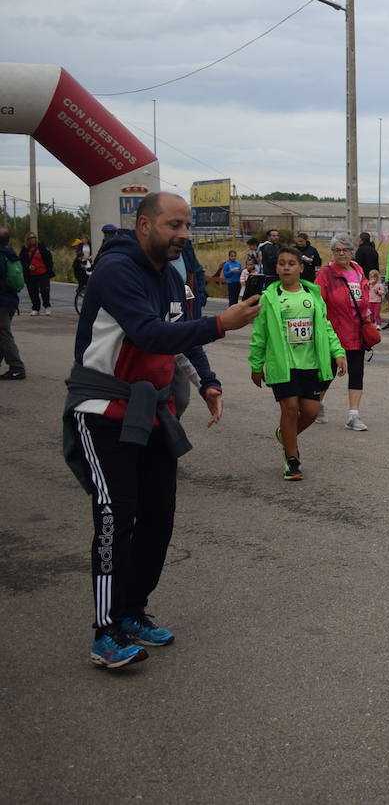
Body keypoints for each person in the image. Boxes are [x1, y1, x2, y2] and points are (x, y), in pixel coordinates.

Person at [61, 192, 261, 668]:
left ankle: (133, 612)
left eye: (187, 226)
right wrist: (222, 323)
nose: (184, 235)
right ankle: (104, 632)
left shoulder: (170, 276)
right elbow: (149, 333)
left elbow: (180, 331)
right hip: (101, 408)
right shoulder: (116, 271)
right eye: (174, 225)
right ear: (145, 225)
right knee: (115, 515)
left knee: (159, 516)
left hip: (152, 412)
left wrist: (208, 381)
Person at [248, 246, 347, 480]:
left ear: (301, 268)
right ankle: (292, 459)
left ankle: (285, 435)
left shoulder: (312, 296)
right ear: (276, 268)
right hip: (282, 364)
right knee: (290, 409)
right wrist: (255, 365)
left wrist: (338, 352)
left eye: (291, 263)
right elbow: (259, 334)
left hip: (311, 363)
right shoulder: (269, 298)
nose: (286, 267)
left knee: (311, 412)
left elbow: (326, 327)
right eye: (282, 263)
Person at [314, 233, 371, 432]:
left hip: (357, 330)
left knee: (357, 372)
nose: (341, 253)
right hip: (334, 331)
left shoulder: (358, 270)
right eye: (337, 250)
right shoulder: (325, 273)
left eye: (345, 249)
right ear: (332, 253)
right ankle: (316, 404)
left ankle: (353, 415)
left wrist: (368, 314)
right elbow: (318, 303)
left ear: (351, 251)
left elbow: (364, 295)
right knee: (327, 372)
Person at [0, 227, 26, 380]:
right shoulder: (10, 254)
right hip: (11, 300)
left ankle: (17, 367)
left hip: (2, 301)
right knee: (2, 333)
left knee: (4, 334)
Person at [19, 230, 54, 316]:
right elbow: (21, 261)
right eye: (31, 238)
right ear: (27, 239)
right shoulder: (24, 249)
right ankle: (35, 308)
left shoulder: (42, 247)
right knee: (33, 292)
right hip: (31, 274)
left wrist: (49, 269)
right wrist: (28, 266)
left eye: (34, 237)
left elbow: (49, 258)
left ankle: (47, 306)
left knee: (44, 290)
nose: (33, 239)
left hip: (43, 272)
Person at [73, 234, 94, 303]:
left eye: (85, 239)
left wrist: (90, 257)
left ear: (87, 239)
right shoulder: (80, 245)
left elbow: (92, 252)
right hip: (82, 261)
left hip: (89, 261)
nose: (83, 240)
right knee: (82, 276)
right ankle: (81, 288)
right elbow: (78, 253)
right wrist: (83, 258)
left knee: (88, 274)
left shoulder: (90, 245)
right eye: (82, 239)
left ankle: (84, 289)